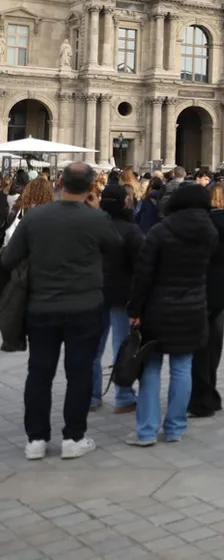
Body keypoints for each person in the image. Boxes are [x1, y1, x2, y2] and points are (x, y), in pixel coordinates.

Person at [1, 163, 117, 460]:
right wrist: (97, 211)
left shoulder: (36, 217)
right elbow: (118, 248)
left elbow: (8, 258)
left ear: (60, 181)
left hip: (42, 307)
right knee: (79, 373)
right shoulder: (97, 219)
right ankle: (73, 437)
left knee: (39, 373)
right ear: (92, 186)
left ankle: (36, 440)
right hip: (85, 307)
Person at [126, 183, 216, 446]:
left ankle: (146, 431)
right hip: (193, 307)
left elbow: (143, 275)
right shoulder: (209, 232)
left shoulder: (159, 231)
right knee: (182, 367)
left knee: (151, 368)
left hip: (157, 308)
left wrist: (134, 309)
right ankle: (175, 428)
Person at [94, 183, 144, 415]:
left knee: (94, 347)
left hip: (95, 293)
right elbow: (141, 268)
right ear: (125, 202)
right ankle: (123, 397)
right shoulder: (131, 230)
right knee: (121, 345)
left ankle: (91, 396)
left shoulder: (92, 227)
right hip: (123, 295)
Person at [189, 184, 224, 418]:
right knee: (214, 347)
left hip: (198, 289)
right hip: (219, 289)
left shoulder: (199, 226)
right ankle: (211, 393)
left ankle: (200, 398)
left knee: (198, 347)